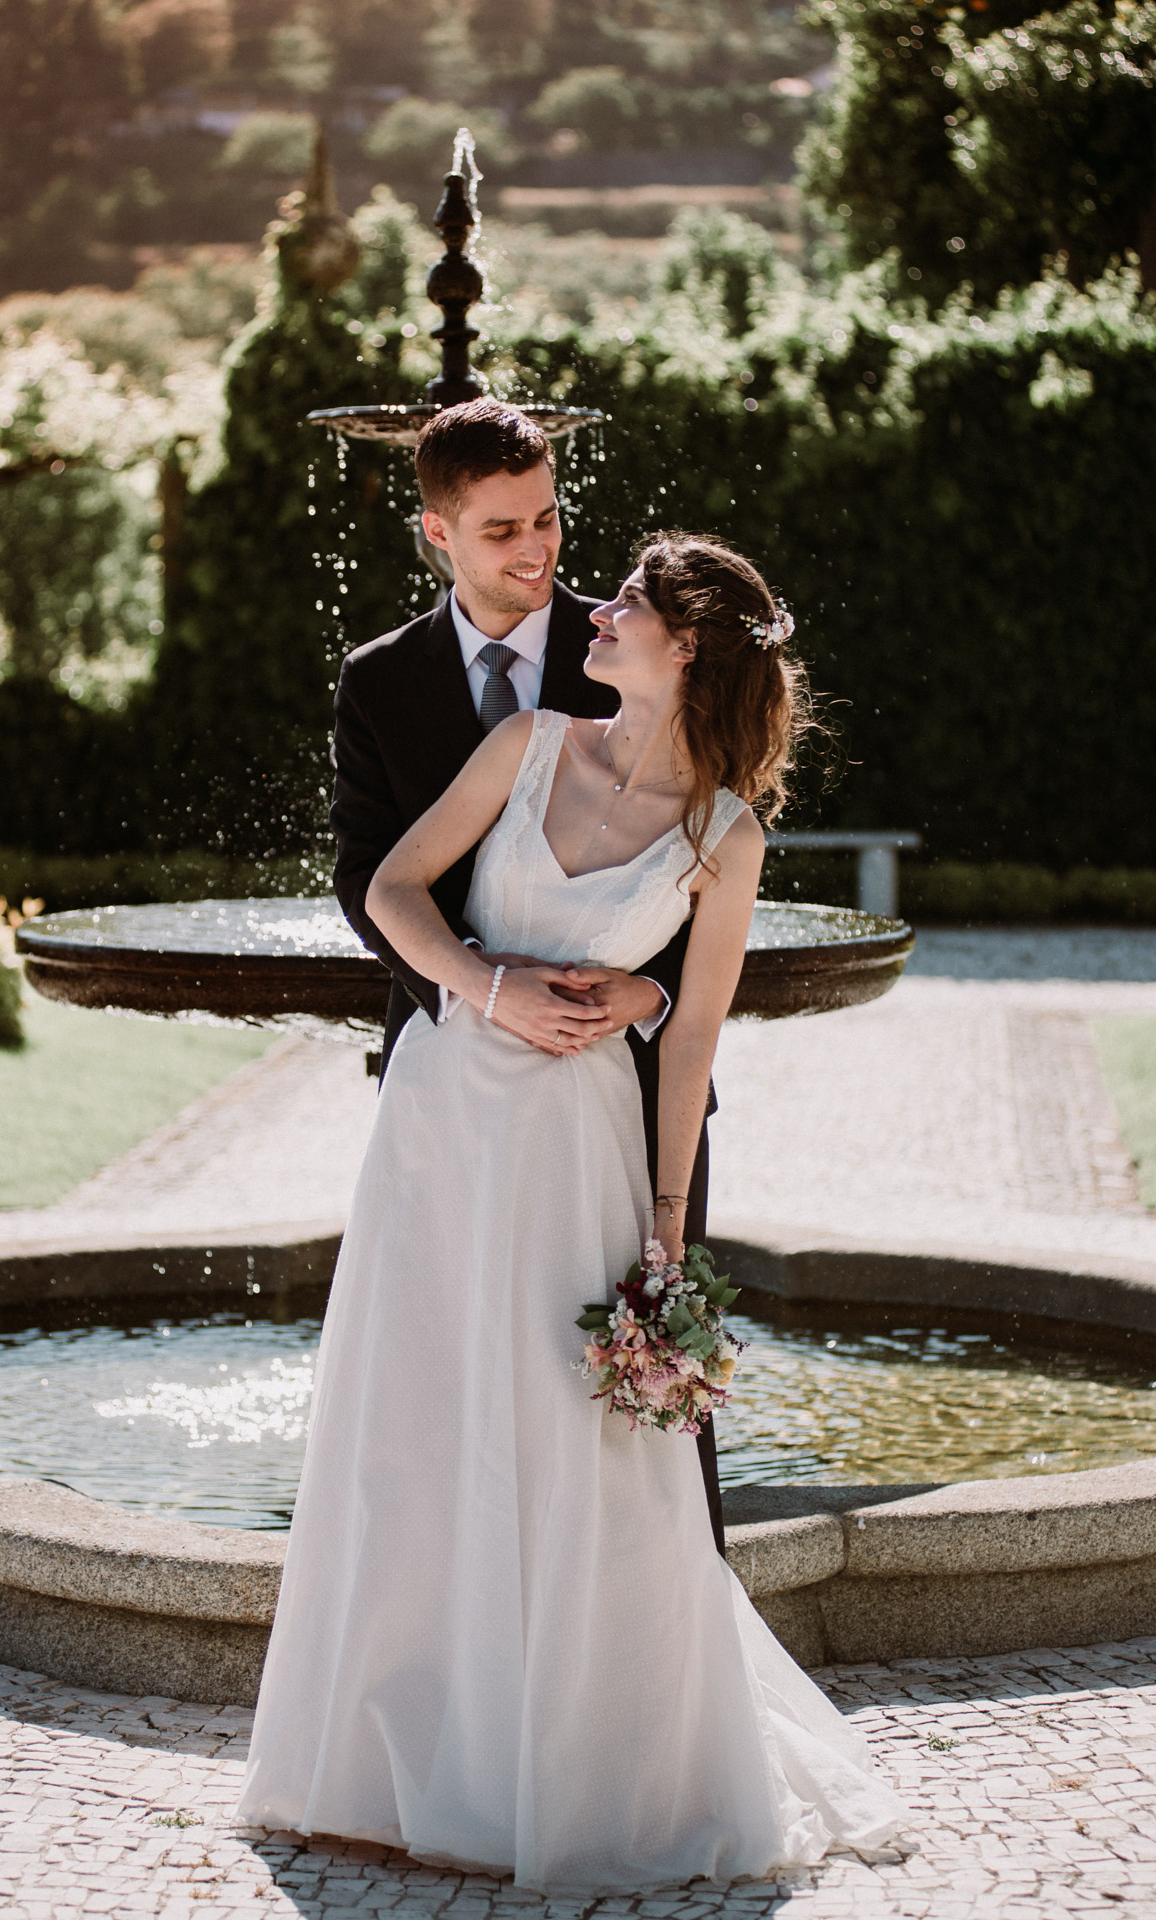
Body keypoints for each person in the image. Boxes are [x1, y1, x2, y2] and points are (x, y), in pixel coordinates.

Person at [238, 526, 909, 1891]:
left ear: (689, 649)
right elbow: (390, 891)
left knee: (567, 1444)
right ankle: (371, 1768)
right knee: (413, 1423)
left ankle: (572, 1766)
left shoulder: (726, 836)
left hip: (578, 1151)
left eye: (633, 604)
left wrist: (664, 1234)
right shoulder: (525, 745)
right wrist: (485, 986)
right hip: (438, 1124)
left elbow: (693, 1038)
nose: (595, 607)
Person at [330, 398, 726, 1550]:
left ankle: (658, 1652)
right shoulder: (380, 680)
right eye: (502, 529)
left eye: (546, 518)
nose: (538, 549)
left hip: (628, 1092)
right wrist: (479, 989)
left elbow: (702, 856)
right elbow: (369, 882)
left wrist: (648, 997)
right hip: (459, 1090)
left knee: (638, 1398)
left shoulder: (628, 642)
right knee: (444, 1382)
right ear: (438, 533)